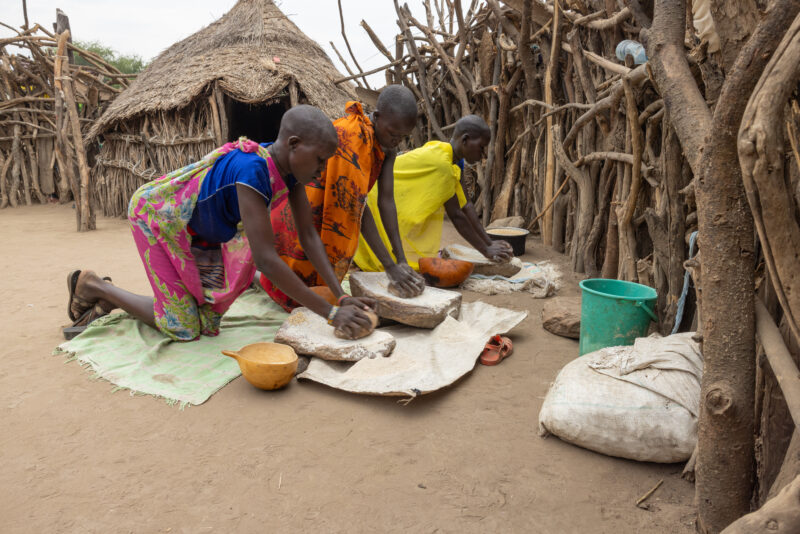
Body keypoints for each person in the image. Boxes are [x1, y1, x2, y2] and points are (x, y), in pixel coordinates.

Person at [65, 105, 375, 341]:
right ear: (294, 144)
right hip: (159, 217)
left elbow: (308, 235)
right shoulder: (252, 170)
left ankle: (123, 299)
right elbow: (265, 259)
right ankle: (96, 286)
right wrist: (330, 313)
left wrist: (341, 295)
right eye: (320, 159)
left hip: (201, 237)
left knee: (207, 324)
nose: (322, 169)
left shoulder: (289, 171)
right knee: (184, 328)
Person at [261, 85, 426, 310]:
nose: (397, 140)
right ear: (377, 117)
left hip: (330, 210)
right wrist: (389, 266)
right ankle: (261, 280)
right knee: (296, 288)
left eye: (403, 136)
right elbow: (354, 206)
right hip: (304, 206)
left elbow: (386, 201)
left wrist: (401, 261)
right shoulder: (352, 136)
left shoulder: (387, 149)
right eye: (393, 133)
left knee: (320, 288)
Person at [354, 115, 513, 272]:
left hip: (381, 195)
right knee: (386, 262)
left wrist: (489, 243)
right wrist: (486, 250)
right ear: (465, 140)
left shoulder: (448, 155)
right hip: (374, 199)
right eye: (481, 147)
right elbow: (456, 215)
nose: (484, 154)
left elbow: (466, 205)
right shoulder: (443, 166)